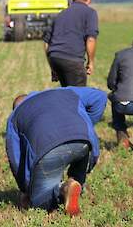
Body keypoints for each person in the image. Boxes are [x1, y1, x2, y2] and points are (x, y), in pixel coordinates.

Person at [6, 87, 107, 216]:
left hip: (49, 148)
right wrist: (88, 123)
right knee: (78, 164)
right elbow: (100, 97)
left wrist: (26, 188)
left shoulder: (15, 116)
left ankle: (62, 189)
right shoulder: (63, 91)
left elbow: (16, 159)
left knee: (40, 203)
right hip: (84, 141)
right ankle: (75, 185)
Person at [43, 0, 99, 87]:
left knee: (67, 95)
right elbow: (91, 39)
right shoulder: (90, 13)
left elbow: (46, 43)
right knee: (78, 96)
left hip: (55, 58)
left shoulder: (60, 14)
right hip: (72, 60)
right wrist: (91, 62)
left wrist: (52, 67)